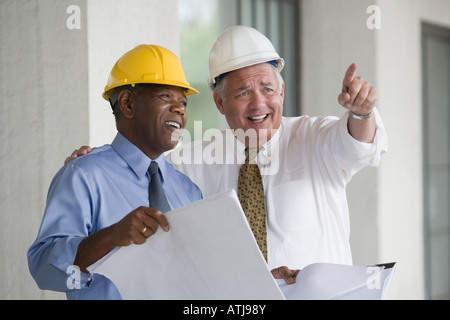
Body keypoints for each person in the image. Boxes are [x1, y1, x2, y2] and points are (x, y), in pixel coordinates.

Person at [66, 26, 388, 278]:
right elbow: (139, 166)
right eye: (243, 93)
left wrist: (361, 113)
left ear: (282, 91)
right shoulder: (191, 161)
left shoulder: (316, 138)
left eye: (267, 89)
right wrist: (96, 161)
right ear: (220, 103)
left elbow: (357, 145)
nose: (259, 104)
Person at [27, 44, 204, 300]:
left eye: (183, 101)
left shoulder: (188, 190)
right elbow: (43, 270)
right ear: (128, 103)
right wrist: (111, 237)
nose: (180, 109)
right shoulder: (83, 176)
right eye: (166, 96)